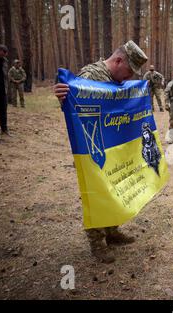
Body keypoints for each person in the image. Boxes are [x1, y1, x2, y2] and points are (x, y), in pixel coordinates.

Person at [53, 40, 148, 264]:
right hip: (92, 148)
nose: (128, 77)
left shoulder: (115, 80)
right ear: (117, 61)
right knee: (97, 194)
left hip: (112, 146)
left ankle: (112, 231)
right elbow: (73, 106)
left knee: (115, 189)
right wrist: (62, 95)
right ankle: (97, 244)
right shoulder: (91, 75)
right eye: (128, 71)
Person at [0, 45, 10, 139]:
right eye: (2, 54)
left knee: (3, 110)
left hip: (3, 90)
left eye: (5, 54)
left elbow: (5, 76)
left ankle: (4, 130)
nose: (3, 56)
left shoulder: (5, 61)